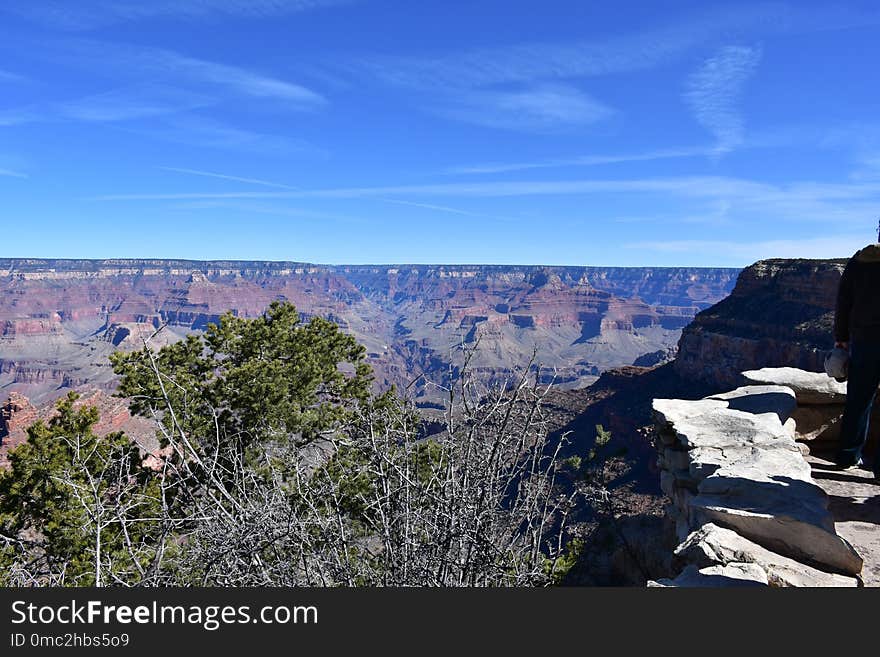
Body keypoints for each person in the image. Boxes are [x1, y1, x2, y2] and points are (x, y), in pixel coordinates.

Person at [834, 220, 880, 480]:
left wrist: (841, 337)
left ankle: (848, 455)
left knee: (859, 400)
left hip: (864, 339)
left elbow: (844, 300)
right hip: (865, 339)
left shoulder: (860, 260)